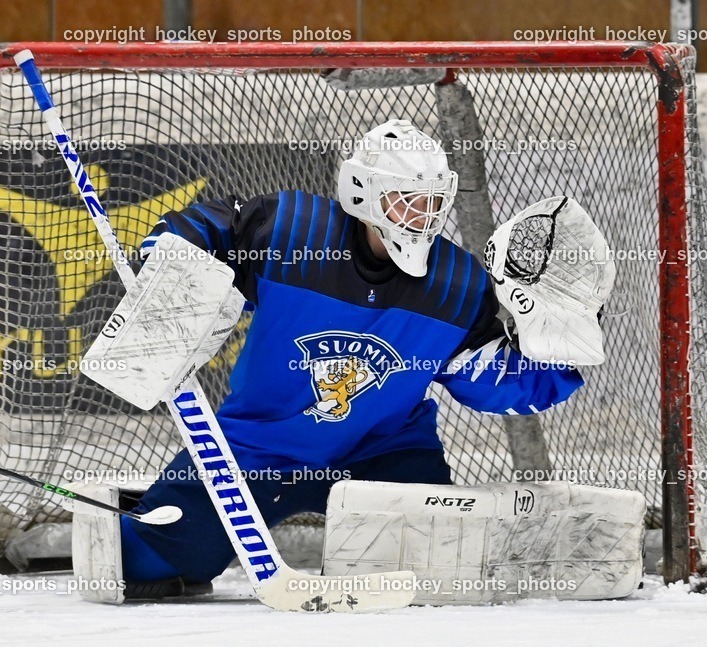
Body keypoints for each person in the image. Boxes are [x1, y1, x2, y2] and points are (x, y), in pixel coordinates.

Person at [121, 119, 583, 589]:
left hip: (385, 455)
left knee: (433, 572)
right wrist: (168, 265)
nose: (422, 214)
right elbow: (209, 227)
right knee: (143, 564)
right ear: (362, 192)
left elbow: (494, 381)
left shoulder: (457, 285)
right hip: (257, 446)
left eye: (432, 201)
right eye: (407, 199)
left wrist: (562, 343)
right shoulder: (292, 232)